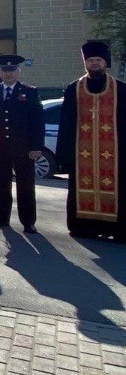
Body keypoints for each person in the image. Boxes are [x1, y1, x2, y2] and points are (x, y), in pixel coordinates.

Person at [57, 41, 126, 241]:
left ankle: (117, 230)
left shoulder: (121, 90)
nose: (94, 64)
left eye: (98, 60)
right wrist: (65, 154)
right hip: (82, 156)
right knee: (81, 189)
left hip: (116, 155)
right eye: (90, 60)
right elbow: (66, 123)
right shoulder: (74, 89)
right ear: (85, 63)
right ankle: (84, 227)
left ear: (106, 63)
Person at [0, 54, 44, 234]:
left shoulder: (29, 91)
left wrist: (36, 147)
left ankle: (28, 221)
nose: (9, 74)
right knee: (1, 184)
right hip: (0, 147)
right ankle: (2, 217)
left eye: (12, 70)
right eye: (5, 71)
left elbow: (37, 122)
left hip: (24, 148)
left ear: (18, 71)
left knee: (25, 185)